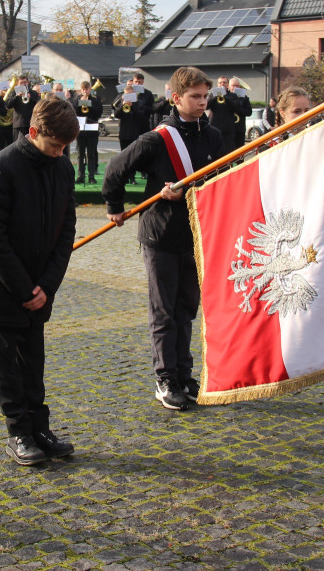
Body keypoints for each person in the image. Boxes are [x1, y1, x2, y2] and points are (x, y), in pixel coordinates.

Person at [102, 66, 225, 411]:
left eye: (205, 96)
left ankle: (185, 375)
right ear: (176, 98)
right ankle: (165, 379)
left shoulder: (214, 136)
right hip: (160, 235)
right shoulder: (157, 139)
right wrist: (115, 206)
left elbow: (221, 180)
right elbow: (115, 171)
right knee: (164, 311)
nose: (202, 102)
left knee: (186, 309)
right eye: (195, 97)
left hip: (196, 235)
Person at [0, 97, 80, 466]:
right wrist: (25, 288)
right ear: (33, 132)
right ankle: (18, 430)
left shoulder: (62, 168)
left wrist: (47, 285)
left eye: (65, 148)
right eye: (54, 146)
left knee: (34, 360)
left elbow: (67, 229)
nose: (59, 154)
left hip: (40, 286)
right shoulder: (2, 167)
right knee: (8, 364)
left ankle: (40, 427)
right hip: (5, 288)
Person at [72, 81, 102, 184]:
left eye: (87, 89)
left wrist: (89, 106)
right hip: (80, 131)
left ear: (90, 89)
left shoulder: (95, 100)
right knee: (80, 154)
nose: (85, 91)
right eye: (83, 89)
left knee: (91, 154)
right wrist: (81, 104)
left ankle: (91, 176)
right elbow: (73, 112)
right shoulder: (76, 99)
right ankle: (81, 176)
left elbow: (98, 113)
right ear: (81, 90)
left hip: (92, 130)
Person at [207, 76, 242, 151]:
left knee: (228, 150)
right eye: (220, 82)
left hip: (228, 129)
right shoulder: (212, 94)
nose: (222, 84)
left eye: (224, 82)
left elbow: (237, 108)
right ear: (217, 84)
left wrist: (225, 98)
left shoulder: (233, 95)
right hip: (215, 126)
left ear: (228, 84)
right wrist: (215, 97)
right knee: (214, 150)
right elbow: (206, 106)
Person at [5, 76, 39, 141]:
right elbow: (8, 105)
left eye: (25, 82)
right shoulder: (14, 93)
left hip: (31, 123)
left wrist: (30, 98)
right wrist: (17, 96)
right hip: (18, 124)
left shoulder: (33, 93)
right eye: (21, 83)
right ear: (18, 84)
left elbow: (39, 104)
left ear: (28, 82)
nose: (23, 84)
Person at [228, 77, 253, 150]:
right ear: (229, 87)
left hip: (240, 129)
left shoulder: (244, 98)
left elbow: (249, 112)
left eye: (237, 85)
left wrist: (239, 109)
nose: (235, 87)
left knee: (240, 150)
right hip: (228, 128)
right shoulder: (225, 97)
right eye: (233, 85)